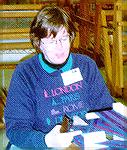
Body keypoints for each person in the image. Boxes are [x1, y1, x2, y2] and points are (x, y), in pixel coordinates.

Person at [4, 5, 114, 150]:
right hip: (43, 143)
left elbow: (105, 110)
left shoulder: (86, 66)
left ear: (71, 37)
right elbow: (16, 130)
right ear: (39, 43)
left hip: (84, 142)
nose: (60, 47)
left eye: (64, 38)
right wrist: (46, 141)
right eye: (51, 41)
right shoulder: (25, 74)